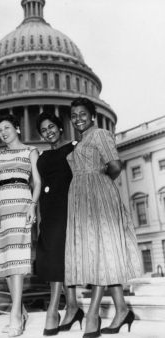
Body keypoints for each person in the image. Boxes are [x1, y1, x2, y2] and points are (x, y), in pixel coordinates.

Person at [65, 97, 142, 338]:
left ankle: (93, 314)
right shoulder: (80, 141)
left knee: (99, 252)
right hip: (82, 200)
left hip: (98, 196)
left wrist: (97, 183)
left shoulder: (100, 134)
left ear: (92, 116)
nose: (78, 118)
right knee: (99, 251)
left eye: (83, 114)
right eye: (74, 115)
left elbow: (116, 166)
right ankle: (121, 310)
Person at [0, 114, 41, 337]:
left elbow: (37, 181)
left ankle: (15, 316)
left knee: (17, 260)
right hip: (1, 207)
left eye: (7, 128)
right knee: (7, 264)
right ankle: (22, 312)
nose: (3, 133)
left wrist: (32, 206)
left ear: (17, 128)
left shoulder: (30, 151)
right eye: (0, 130)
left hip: (21, 204)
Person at [35, 111, 84, 336]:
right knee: (57, 256)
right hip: (49, 210)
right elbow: (40, 186)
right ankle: (72, 306)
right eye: (43, 130)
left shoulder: (75, 147)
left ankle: (53, 310)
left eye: (51, 127)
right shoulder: (42, 157)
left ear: (60, 127)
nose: (48, 132)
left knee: (59, 256)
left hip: (69, 207)